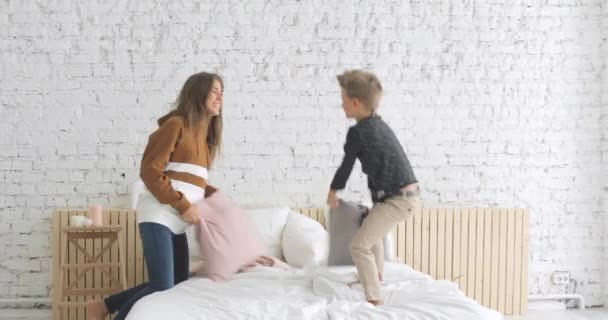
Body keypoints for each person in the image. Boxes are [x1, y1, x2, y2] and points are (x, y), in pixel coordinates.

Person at [87, 71, 223, 320]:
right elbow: (150, 172)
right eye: (214, 90)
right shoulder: (175, 125)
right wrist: (183, 205)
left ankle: (104, 306)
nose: (219, 96)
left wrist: (217, 198)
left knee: (177, 283)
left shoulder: (206, 141)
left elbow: (191, 181)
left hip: (178, 220)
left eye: (221, 92)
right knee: (162, 285)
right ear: (198, 92)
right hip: (159, 214)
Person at [327, 69, 421, 306]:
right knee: (370, 229)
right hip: (405, 195)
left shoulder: (358, 133)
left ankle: (374, 299)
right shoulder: (380, 125)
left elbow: (346, 166)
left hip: (398, 199)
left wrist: (333, 191)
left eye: (343, 100)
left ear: (356, 103)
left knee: (358, 245)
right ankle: (376, 276)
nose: (341, 105)